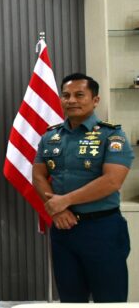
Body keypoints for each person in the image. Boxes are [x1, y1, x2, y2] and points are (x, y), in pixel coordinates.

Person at [33, 73, 134, 302]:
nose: (71, 100)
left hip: (102, 229)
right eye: (66, 95)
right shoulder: (50, 136)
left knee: (110, 300)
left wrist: (65, 201)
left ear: (95, 100)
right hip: (63, 229)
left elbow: (112, 181)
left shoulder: (112, 136)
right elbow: (38, 175)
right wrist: (57, 210)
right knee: (70, 300)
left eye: (79, 95)